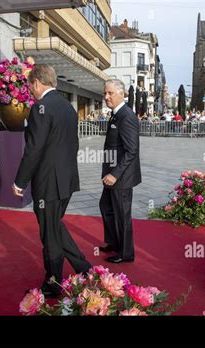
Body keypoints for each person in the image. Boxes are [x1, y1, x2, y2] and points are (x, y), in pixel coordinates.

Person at [12, 64, 92, 297]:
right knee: (54, 226)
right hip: (66, 181)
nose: (30, 90)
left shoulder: (40, 108)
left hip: (48, 183)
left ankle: (53, 282)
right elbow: (73, 144)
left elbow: (33, 150)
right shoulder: (68, 107)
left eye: (30, 86)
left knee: (49, 233)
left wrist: (19, 182)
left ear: (37, 83)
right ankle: (84, 268)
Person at [99, 79, 141, 263]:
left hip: (121, 177)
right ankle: (114, 243)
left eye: (110, 93)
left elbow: (132, 150)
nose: (106, 97)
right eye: (105, 93)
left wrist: (114, 174)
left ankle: (125, 253)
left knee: (121, 215)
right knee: (106, 207)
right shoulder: (116, 114)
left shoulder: (127, 116)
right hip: (112, 175)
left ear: (121, 94)